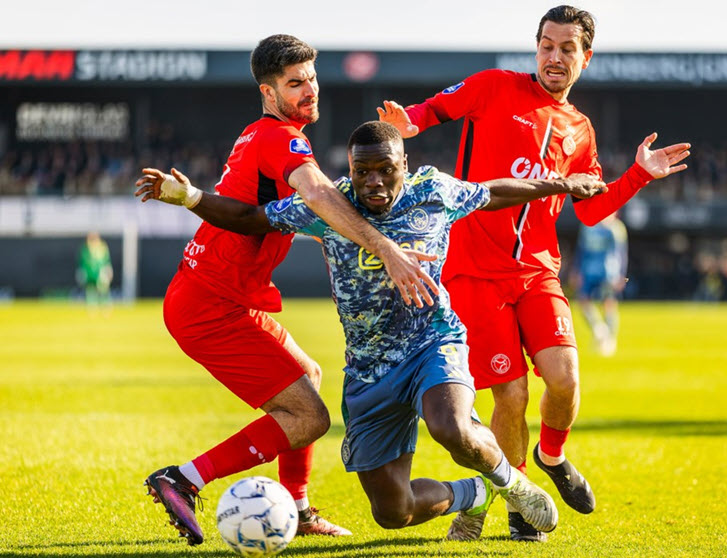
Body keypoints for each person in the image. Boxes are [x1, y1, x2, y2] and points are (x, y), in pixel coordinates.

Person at [135, 121, 608, 539]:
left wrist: (560, 184)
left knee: (452, 427)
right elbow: (251, 219)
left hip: (432, 342)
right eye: (363, 172)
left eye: (385, 169)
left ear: (406, 162)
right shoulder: (328, 205)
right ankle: (475, 495)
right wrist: (191, 198)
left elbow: (492, 192)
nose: (374, 182)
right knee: (393, 512)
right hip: (368, 370)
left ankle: (512, 485)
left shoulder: (434, 192)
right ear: (351, 169)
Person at [378, 4, 690, 542]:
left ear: (584, 58)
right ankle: (520, 505)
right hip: (475, 272)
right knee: (512, 396)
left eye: (567, 48)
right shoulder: (493, 86)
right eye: (547, 45)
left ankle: (552, 455)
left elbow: (590, 209)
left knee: (566, 380)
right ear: (536, 48)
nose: (554, 56)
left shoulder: (580, 130)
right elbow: (428, 112)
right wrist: (406, 123)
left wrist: (638, 174)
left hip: (539, 273)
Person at [135, 35, 443, 546]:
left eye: (312, 79)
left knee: (308, 374)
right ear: (268, 91)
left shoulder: (265, 134)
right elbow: (319, 195)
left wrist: (192, 197)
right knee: (308, 416)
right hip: (210, 306)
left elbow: (273, 214)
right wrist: (387, 248)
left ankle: (295, 508)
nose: (310, 91)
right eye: (295, 83)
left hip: (218, 296)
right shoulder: (280, 138)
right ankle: (183, 479)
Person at [570, 213, 628, 356]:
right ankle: (599, 328)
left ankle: (610, 339)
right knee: (583, 300)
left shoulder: (616, 228)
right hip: (589, 269)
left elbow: (621, 253)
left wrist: (621, 274)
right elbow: (581, 250)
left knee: (608, 302)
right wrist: (576, 270)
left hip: (608, 271)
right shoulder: (587, 226)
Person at [76, 231, 113, 310]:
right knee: (91, 288)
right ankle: (92, 306)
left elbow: (106, 260)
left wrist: (107, 269)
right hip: (90, 272)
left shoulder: (102, 247)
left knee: (103, 288)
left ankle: (105, 305)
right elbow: (82, 262)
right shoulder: (85, 248)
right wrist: (82, 271)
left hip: (100, 271)